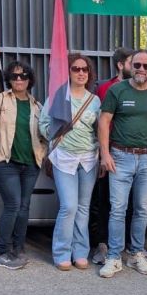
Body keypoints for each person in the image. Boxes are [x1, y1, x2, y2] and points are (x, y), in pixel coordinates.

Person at [97, 49, 147, 278]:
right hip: (120, 157)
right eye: (137, 65)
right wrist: (105, 154)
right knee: (118, 209)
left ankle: (137, 253)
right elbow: (104, 121)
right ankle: (114, 256)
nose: (141, 69)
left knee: (141, 209)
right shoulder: (117, 90)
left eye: (146, 66)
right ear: (130, 66)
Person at [0, 60, 48, 270]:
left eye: (23, 75)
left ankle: (18, 249)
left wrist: (42, 152)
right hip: (6, 162)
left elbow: (44, 134)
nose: (19, 79)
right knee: (13, 205)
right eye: (14, 76)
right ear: (8, 79)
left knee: (24, 207)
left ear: (29, 79)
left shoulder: (37, 106)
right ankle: (1, 252)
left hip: (30, 164)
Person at [40, 54, 101, 271]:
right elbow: (43, 124)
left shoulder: (95, 101)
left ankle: (81, 252)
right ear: (68, 71)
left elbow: (99, 129)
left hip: (89, 159)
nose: (81, 73)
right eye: (76, 68)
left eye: (85, 69)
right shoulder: (58, 97)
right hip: (64, 157)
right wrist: (55, 133)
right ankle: (61, 252)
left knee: (83, 208)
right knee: (69, 206)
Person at [90, 46, 133, 264]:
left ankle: (128, 247)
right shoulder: (105, 88)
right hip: (110, 153)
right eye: (132, 63)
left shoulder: (142, 88)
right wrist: (102, 154)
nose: (137, 68)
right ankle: (102, 245)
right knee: (105, 202)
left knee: (131, 204)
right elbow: (98, 122)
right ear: (120, 65)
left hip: (133, 154)